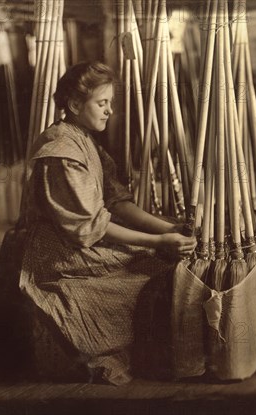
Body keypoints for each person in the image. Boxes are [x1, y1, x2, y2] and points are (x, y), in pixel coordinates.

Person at [19, 62, 196, 385]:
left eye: (110, 103)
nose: (109, 111)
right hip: (59, 253)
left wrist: (165, 228)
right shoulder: (61, 152)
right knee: (149, 266)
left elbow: (116, 202)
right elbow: (89, 227)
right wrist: (157, 243)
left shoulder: (83, 139)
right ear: (74, 105)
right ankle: (124, 349)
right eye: (103, 103)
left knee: (158, 257)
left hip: (84, 237)